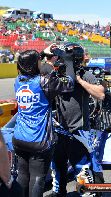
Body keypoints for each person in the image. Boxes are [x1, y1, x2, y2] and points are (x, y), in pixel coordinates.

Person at [12, 49, 75, 197]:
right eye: (39, 60)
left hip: (19, 138)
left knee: (22, 176)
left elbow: (28, 64)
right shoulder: (44, 82)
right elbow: (70, 82)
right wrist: (69, 60)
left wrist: (43, 54)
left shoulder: (17, 81)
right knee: (37, 178)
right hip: (39, 140)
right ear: (35, 64)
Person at [46, 43, 105, 197]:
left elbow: (100, 94)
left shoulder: (85, 74)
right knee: (57, 165)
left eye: (64, 58)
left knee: (81, 167)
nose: (60, 60)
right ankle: (58, 192)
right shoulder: (58, 74)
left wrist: (79, 81)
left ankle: (88, 193)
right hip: (59, 129)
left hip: (79, 131)